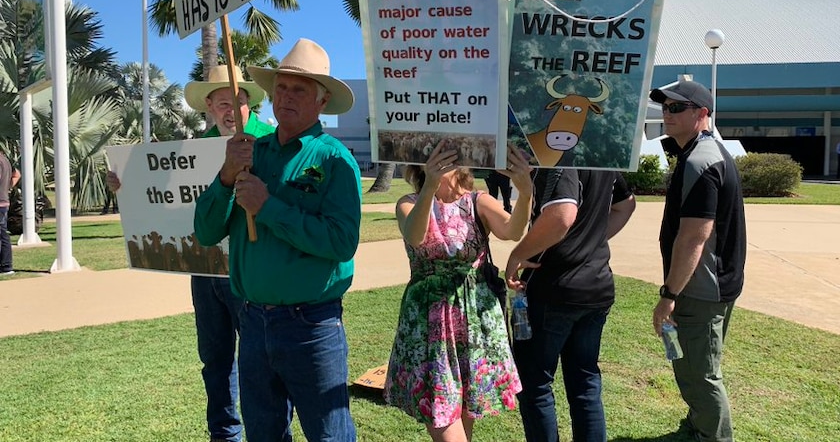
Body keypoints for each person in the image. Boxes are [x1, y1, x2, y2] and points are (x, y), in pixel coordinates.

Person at [194, 38, 361, 442]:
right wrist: (226, 179)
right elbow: (206, 231)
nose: (285, 96)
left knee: (329, 434)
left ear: (322, 102)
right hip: (252, 322)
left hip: (312, 325)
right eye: (281, 87)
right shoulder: (248, 152)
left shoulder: (334, 160)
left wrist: (268, 207)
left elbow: (340, 242)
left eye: (299, 89)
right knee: (264, 433)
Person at [107, 64, 273, 442]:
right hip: (206, 272)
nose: (232, 110)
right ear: (209, 109)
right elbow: (158, 194)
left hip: (252, 272)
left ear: (251, 106)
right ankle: (224, 433)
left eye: (240, 102)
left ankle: (265, 433)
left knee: (258, 361)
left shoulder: (271, 142)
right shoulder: (194, 150)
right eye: (223, 103)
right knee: (214, 360)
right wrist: (125, 183)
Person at [385, 141, 532, 442]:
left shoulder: (478, 201)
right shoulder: (408, 202)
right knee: (445, 422)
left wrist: (526, 191)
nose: (444, 160)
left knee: (465, 416)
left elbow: (512, 231)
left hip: (474, 322)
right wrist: (430, 186)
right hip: (428, 327)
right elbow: (415, 236)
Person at [504, 168, 636, 442]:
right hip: (596, 286)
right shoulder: (601, 156)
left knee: (536, 385)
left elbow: (562, 215)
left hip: (554, 289)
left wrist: (519, 253)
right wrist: (590, 241)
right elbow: (626, 205)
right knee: (585, 383)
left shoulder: (561, 152)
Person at [648, 80, 746, 442]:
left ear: (702, 114)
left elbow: (694, 236)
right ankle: (699, 426)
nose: (666, 114)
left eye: (676, 108)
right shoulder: (704, 153)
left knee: (700, 372)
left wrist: (669, 293)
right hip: (714, 282)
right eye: (665, 107)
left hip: (701, 287)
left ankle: (712, 436)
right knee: (695, 364)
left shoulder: (701, 161)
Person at [0, 150, 21, 275]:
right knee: (2, 233)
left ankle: (6, 266)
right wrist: (7, 187)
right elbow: (17, 174)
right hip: (4, 201)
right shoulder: (6, 160)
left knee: (2, 235)